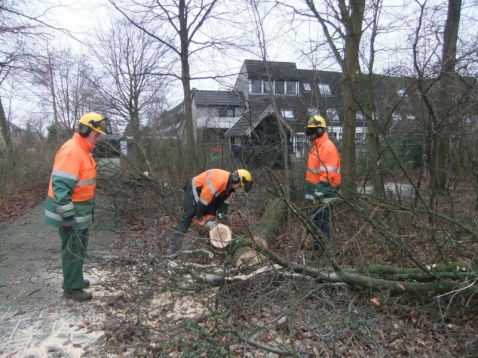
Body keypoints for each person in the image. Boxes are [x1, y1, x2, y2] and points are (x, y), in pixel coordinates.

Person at [44, 112, 111, 302]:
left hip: (80, 213)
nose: (98, 138)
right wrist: (67, 216)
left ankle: (75, 278)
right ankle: (72, 288)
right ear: (84, 130)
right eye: (96, 134)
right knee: (73, 249)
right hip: (70, 214)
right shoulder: (72, 151)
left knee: (79, 248)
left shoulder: (83, 151)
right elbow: (61, 187)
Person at [165, 168, 253, 255]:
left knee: (210, 218)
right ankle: (173, 247)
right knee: (190, 215)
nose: (238, 188)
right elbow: (204, 199)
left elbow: (225, 203)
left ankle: (210, 246)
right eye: (240, 185)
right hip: (195, 188)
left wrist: (220, 215)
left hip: (206, 195)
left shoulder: (229, 188)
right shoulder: (220, 180)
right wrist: (199, 216)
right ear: (236, 179)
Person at [305, 115, 341, 253]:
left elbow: (328, 175)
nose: (309, 135)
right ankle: (317, 251)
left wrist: (318, 195)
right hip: (317, 194)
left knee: (322, 224)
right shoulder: (316, 148)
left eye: (311, 132)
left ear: (319, 131)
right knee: (316, 224)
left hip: (325, 194)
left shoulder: (327, 148)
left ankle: (323, 254)